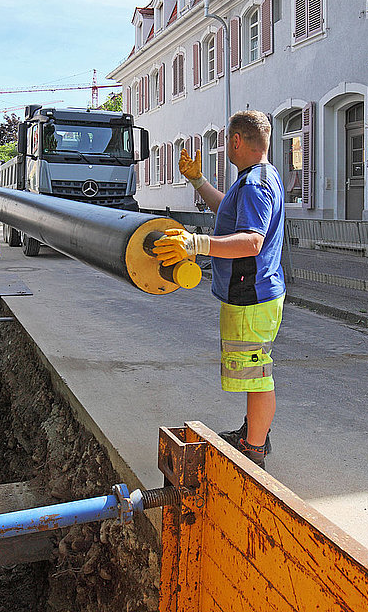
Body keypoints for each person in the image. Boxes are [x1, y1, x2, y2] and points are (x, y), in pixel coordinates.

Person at [153, 110, 285, 469]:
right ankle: (253, 431)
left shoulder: (255, 184)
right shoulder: (256, 178)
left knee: (257, 372)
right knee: (252, 369)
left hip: (251, 292)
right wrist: (198, 181)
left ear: (236, 141)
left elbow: (252, 241)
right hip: (253, 290)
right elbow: (228, 212)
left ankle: (254, 450)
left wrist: (196, 243)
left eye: (226, 140)